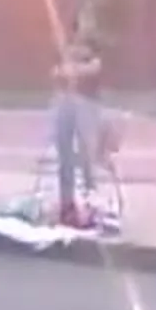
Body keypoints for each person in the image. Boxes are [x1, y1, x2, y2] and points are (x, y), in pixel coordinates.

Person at [51, 28, 104, 227]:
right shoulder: (66, 44)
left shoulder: (94, 47)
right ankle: (66, 203)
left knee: (85, 155)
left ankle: (91, 202)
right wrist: (64, 71)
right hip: (65, 101)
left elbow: (94, 67)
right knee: (64, 155)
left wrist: (73, 70)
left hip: (86, 103)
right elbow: (56, 71)